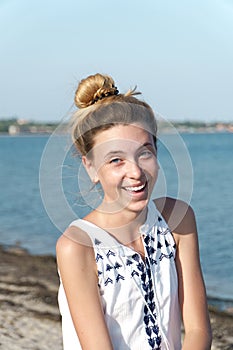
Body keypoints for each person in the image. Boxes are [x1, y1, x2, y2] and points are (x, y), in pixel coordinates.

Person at [56, 73, 212, 350]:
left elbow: (198, 329)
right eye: (116, 159)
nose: (136, 172)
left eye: (144, 153)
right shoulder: (78, 246)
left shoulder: (177, 220)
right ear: (91, 167)